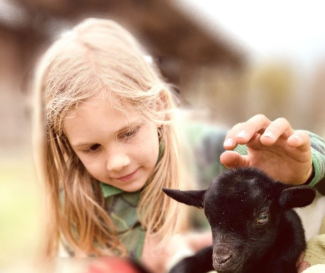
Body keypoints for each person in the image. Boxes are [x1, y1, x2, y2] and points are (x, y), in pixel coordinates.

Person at [32, 18, 325, 273]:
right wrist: (137, 252)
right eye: (92, 148)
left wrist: (308, 168)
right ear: (67, 144)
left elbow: (295, 173)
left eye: (128, 133)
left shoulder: (213, 151)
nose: (117, 161)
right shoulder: (78, 199)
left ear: (158, 106)